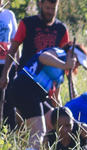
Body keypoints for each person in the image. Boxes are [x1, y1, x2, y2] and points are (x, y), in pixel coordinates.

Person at [5, 42, 87, 150]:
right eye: (77, 62)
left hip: (35, 94)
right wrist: (65, 64)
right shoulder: (60, 53)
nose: (76, 66)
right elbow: (43, 57)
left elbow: (56, 98)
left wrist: (64, 115)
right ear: (71, 54)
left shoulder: (60, 74)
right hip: (26, 86)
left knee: (46, 124)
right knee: (39, 130)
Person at [0, 0, 69, 128]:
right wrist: (5, 75)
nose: (50, 12)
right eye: (47, 8)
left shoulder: (61, 30)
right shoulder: (27, 23)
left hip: (46, 87)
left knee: (45, 127)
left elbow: (63, 64)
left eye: (53, 9)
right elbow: (12, 50)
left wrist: (57, 93)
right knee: (22, 125)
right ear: (40, 4)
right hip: (25, 83)